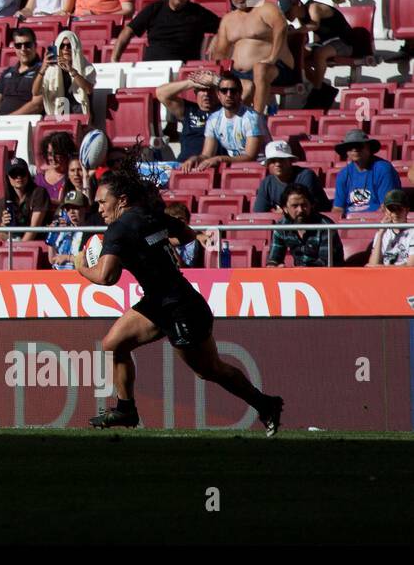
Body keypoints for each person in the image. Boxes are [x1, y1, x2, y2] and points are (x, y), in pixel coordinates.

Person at [77, 154, 283, 432]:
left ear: (122, 200)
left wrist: (79, 267)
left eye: (103, 202)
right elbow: (186, 234)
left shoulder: (118, 228)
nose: (99, 208)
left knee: (209, 370)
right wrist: (150, 248)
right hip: (160, 302)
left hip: (180, 308)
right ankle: (126, 410)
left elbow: (106, 277)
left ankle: (265, 404)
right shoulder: (150, 216)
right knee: (113, 344)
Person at [208, 0, 298, 116]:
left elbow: (281, 26)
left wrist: (272, 58)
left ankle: (257, 118)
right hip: (241, 75)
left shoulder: (266, 8)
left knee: (260, 68)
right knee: (240, 89)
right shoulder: (228, 19)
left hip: (276, 67)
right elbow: (221, 52)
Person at [111, 0, 220, 63]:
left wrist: (215, 40)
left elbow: (223, 27)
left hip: (183, 70)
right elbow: (128, 31)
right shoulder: (154, 9)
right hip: (153, 68)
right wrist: (114, 60)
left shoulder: (198, 12)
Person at [277, 0, 354, 108]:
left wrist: (294, 31)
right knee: (300, 56)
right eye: (285, 13)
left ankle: (318, 92)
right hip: (326, 42)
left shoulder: (313, 7)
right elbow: (307, 35)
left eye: (288, 11)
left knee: (319, 54)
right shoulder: (301, 17)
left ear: (297, 4)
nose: (287, 15)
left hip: (344, 41)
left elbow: (314, 25)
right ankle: (322, 87)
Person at [184, 73, 265, 170]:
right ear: (218, 94)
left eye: (233, 91)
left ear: (240, 93)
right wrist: (196, 158)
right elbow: (207, 154)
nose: (229, 95)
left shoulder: (251, 118)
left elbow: (250, 157)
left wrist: (220, 159)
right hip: (235, 167)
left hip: (260, 167)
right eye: (224, 91)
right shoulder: (214, 119)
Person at [266, 183, 344, 267]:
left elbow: (325, 263)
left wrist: (298, 271)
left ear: (311, 205)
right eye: (295, 206)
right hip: (299, 275)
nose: (300, 210)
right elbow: (274, 259)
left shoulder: (326, 226)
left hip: (328, 276)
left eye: (304, 205)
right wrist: (273, 266)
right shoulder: (281, 227)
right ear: (285, 209)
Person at [156, 69, 222, 163]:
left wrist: (215, 80)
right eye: (202, 90)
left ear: (218, 93)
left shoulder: (226, 111)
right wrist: (191, 82)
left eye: (210, 90)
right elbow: (161, 93)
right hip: (184, 164)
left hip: (211, 164)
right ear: (195, 92)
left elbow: (247, 87)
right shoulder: (189, 109)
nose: (206, 94)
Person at [332, 128, 401, 217]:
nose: (354, 150)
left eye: (359, 145)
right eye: (350, 147)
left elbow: (387, 207)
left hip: (376, 222)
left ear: (369, 148)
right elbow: (338, 208)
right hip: (349, 224)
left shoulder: (383, 169)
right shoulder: (343, 174)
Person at [254, 140, 329, 212]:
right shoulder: (266, 183)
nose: (278, 164)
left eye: (281, 159)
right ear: (267, 165)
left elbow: (303, 210)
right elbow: (259, 213)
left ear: (290, 161)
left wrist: (281, 211)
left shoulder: (306, 176)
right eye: (273, 161)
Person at [35, 30, 96, 118]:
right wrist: (43, 69)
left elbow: (88, 90)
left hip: (79, 114)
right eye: (62, 46)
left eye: (69, 45)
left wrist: (72, 71)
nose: (65, 49)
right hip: (58, 114)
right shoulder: (50, 69)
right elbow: (35, 92)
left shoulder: (87, 67)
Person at [0, 27, 42, 117]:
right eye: (18, 46)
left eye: (27, 45)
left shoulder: (43, 71)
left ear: (35, 46)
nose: (23, 49)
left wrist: (8, 120)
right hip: (0, 124)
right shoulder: (6, 73)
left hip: (26, 123)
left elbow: (37, 105)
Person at [0, 157, 51, 243]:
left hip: (37, 244)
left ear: (27, 174)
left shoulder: (39, 193)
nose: (18, 177)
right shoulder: (4, 200)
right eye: (14, 174)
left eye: (22, 173)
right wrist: (4, 225)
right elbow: (1, 235)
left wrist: (20, 248)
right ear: (8, 177)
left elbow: (34, 228)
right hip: (15, 245)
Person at [46, 187, 93, 270]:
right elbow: (52, 260)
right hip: (58, 275)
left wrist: (68, 258)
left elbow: (90, 261)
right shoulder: (62, 231)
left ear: (86, 209)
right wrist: (52, 235)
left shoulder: (91, 232)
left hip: (79, 275)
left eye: (75, 208)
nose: (71, 212)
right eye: (68, 209)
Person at [367, 189, 414, 266]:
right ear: (385, 211)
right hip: (384, 275)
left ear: (407, 210)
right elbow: (373, 264)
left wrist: (383, 268)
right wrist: (380, 234)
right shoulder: (382, 233)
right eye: (391, 209)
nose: (395, 213)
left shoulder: (412, 232)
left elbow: (411, 265)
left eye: (399, 209)